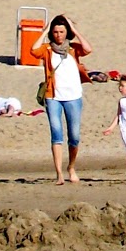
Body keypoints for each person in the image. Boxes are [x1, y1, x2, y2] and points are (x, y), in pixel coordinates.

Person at [30, 13, 91, 183]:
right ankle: (59, 173)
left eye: (62, 32)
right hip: (53, 97)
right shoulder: (47, 50)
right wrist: (45, 30)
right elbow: (33, 50)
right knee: (56, 134)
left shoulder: (73, 49)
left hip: (73, 97)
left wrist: (74, 29)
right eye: (55, 32)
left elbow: (88, 49)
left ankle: (71, 167)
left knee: (74, 136)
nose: (58, 35)